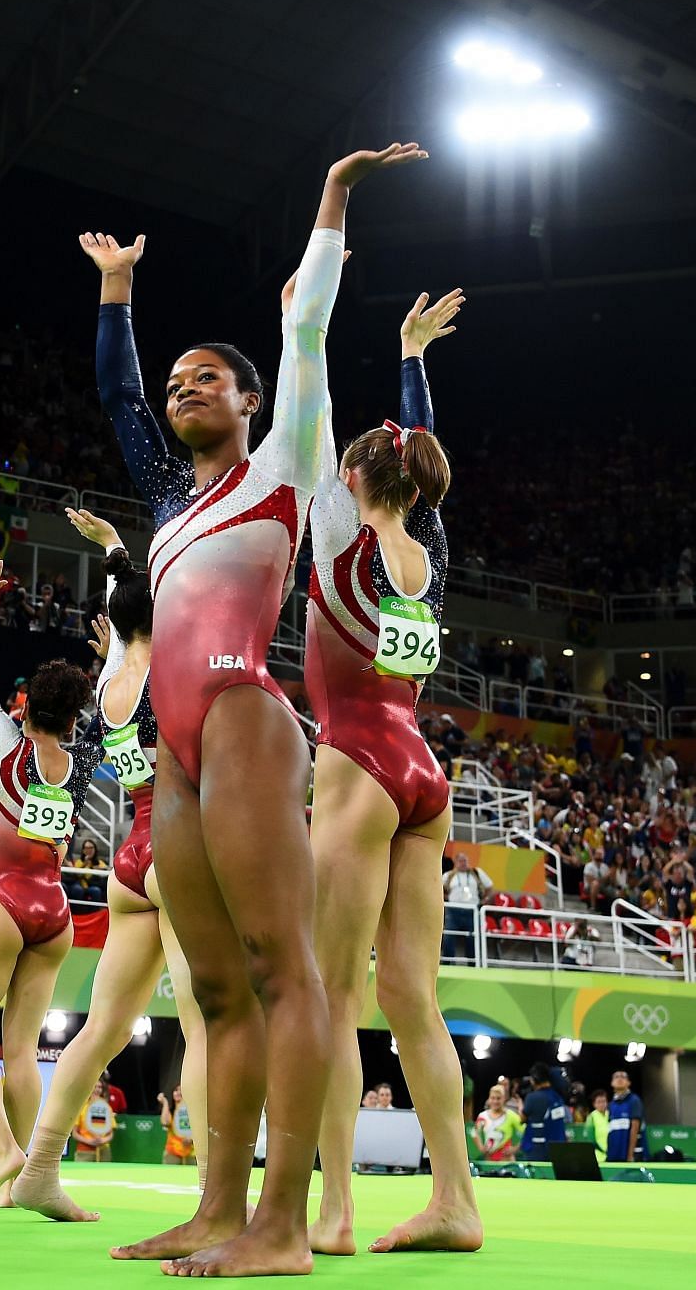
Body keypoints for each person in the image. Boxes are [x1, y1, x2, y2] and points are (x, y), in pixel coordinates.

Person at [82, 142, 419, 1276]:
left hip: (242, 717)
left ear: (252, 399)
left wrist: (329, 197)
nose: (183, 392)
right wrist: (116, 294)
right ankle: (215, 1206)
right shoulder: (173, 508)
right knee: (215, 988)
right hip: (172, 748)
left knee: (287, 971)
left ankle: (285, 1223)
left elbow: (311, 326)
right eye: (178, 383)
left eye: (206, 380)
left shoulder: (283, 460)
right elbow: (118, 395)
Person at [302, 275, 474, 1255]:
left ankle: (333, 1207)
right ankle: (456, 1198)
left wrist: (312, 316)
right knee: (414, 995)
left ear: (358, 480)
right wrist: (410, 360)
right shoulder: (430, 549)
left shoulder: (342, 532)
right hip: (423, 772)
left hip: (359, 763)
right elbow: (411, 447)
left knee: (334, 992)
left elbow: (313, 407)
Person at [13, 509, 207, 1222]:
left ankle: (38, 1168)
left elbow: (129, 605)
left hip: (131, 856)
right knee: (204, 1020)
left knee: (103, 1028)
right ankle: (215, 1193)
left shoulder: (110, 683)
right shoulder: (180, 672)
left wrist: (115, 551)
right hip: (184, 850)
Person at [0, 553, 100, 1207]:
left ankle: (5, 1147)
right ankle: (37, 1179)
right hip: (55, 913)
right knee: (25, 1050)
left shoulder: (6, 742)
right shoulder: (80, 759)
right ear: (74, 716)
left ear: (27, 702)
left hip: (4, 899)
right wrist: (119, 652)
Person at [439, 853, 492, 963]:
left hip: (472, 910)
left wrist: (484, 899)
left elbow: (489, 886)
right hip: (453, 911)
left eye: (465, 860)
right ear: (456, 862)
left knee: (473, 939)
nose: (463, 863)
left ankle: (473, 963)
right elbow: (439, 889)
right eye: (461, 861)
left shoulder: (477, 873)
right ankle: (448, 963)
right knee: (449, 937)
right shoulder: (448, 876)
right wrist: (446, 897)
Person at [519, 1064, 569, 1163]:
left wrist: (520, 1107)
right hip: (558, 1150)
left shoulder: (533, 1098)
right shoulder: (558, 1096)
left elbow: (522, 1119)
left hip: (538, 1152)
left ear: (534, 1079)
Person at [471, 1083, 522, 1162]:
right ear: (489, 1099)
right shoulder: (483, 1116)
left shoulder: (511, 1115)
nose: (495, 1101)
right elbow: (474, 1133)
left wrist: (515, 1149)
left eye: (498, 1098)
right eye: (493, 1098)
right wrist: (481, 1148)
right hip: (489, 1161)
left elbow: (527, 1133)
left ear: (504, 1099)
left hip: (506, 1161)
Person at [606, 1068, 646, 1162]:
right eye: (616, 1077)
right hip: (614, 1155)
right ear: (612, 1083)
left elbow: (635, 1128)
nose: (619, 1079)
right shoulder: (611, 1105)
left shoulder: (634, 1100)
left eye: (623, 1077)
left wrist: (630, 1155)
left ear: (628, 1083)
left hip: (629, 1156)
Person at [73, 1078, 117, 1163]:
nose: (97, 1089)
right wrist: (89, 1141)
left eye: (99, 1087)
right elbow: (75, 1133)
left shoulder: (106, 1107)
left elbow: (110, 1133)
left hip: (104, 1151)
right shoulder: (81, 1107)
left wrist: (103, 1140)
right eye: (94, 1087)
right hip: (84, 1151)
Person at [160, 1085, 195, 1166]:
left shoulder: (193, 1112)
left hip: (191, 1153)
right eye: (176, 1090)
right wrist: (165, 1102)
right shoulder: (171, 1111)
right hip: (173, 1152)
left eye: (181, 1090)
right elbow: (165, 1122)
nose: (178, 1092)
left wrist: (192, 1139)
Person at [588, 1090, 614, 1162]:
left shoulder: (611, 1114)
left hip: (612, 1155)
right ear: (594, 1104)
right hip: (598, 1157)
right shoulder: (591, 1117)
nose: (602, 1104)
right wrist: (603, 1151)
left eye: (604, 1101)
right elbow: (591, 1140)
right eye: (599, 1102)